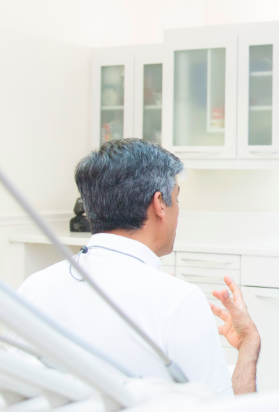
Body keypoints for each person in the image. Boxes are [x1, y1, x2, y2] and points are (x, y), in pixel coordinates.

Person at [17, 139, 260, 396]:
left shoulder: (32, 288)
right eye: (176, 199)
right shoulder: (179, 300)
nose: (177, 210)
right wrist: (249, 345)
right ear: (159, 204)